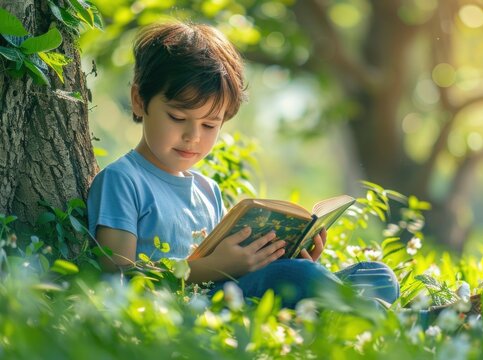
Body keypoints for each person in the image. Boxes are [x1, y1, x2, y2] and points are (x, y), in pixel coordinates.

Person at [87, 20, 399, 309]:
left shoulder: (207, 190)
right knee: (297, 276)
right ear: (140, 100)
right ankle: (381, 318)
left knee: (377, 276)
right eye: (178, 118)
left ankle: (334, 302)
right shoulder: (123, 180)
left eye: (210, 125)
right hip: (194, 310)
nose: (192, 136)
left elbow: (235, 268)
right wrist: (208, 269)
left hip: (238, 292)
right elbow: (117, 276)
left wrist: (286, 255)